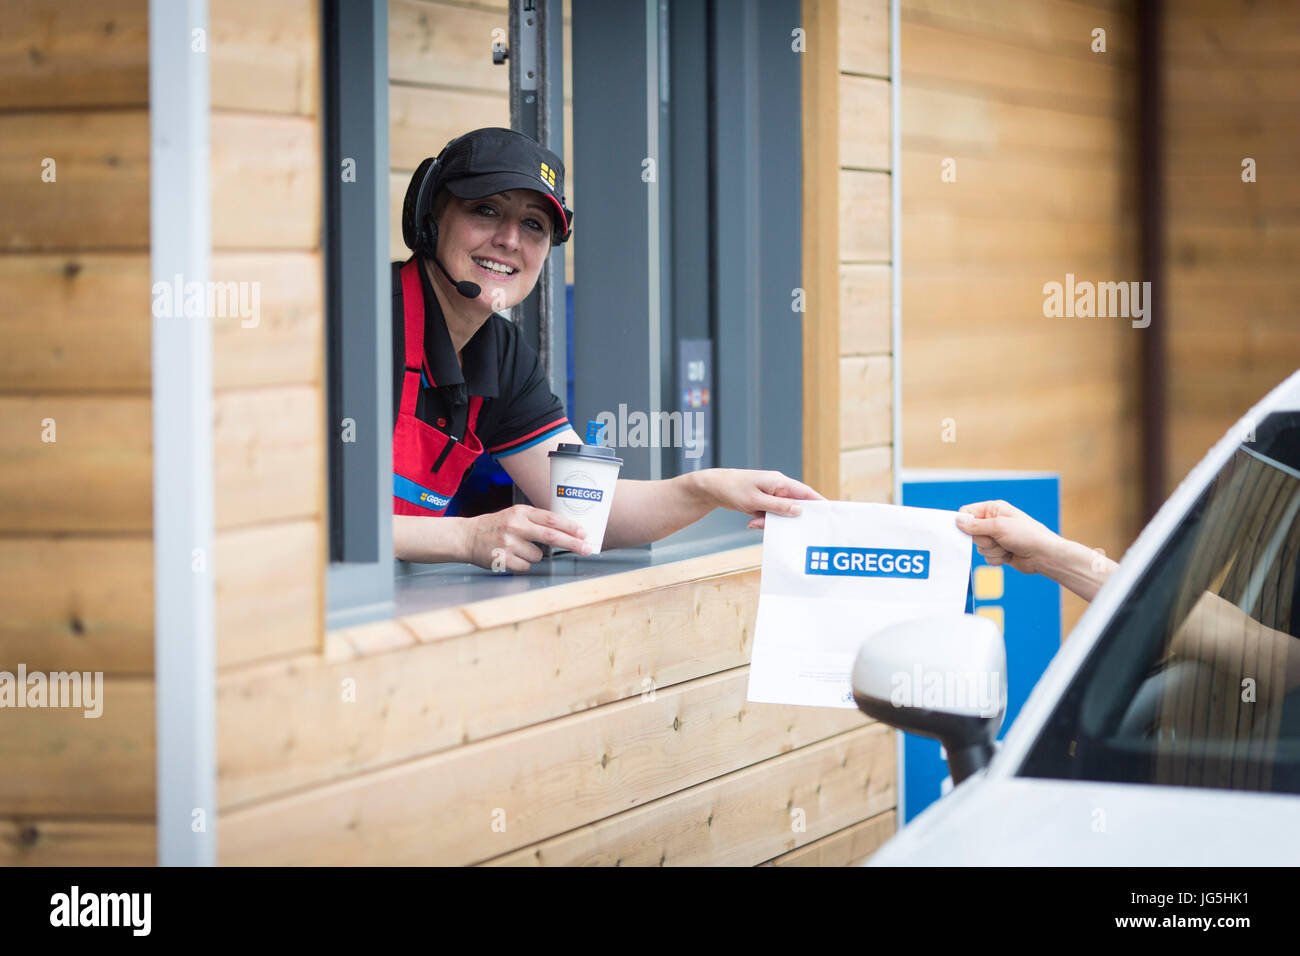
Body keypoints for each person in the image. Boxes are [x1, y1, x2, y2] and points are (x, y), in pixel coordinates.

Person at [392, 127, 822, 568]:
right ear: (428, 217)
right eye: (485, 210)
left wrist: (706, 488)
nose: (510, 240)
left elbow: (588, 509)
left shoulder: (502, 355)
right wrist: (466, 537)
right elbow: (321, 518)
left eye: (534, 225)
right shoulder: (368, 326)